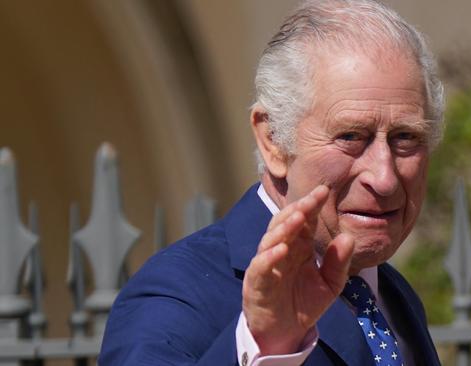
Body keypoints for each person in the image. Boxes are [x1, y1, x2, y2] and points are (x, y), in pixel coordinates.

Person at [99, 0, 444, 365]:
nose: (384, 177)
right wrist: (266, 345)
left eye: (405, 137)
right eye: (351, 136)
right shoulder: (177, 294)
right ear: (274, 141)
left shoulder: (391, 294)